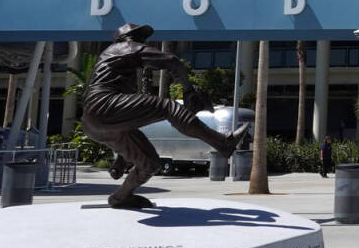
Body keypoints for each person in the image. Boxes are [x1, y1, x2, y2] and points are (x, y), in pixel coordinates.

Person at [83, 23, 250, 209]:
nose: (143, 42)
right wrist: (188, 91)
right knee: (167, 106)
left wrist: (121, 159)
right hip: (102, 106)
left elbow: (125, 121)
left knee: (150, 164)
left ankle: (121, 197)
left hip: (95, 122)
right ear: (126, 39)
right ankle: (222, 143)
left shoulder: (118, 72)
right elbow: (171, 61)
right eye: (139, 37)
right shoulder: (122, 48)